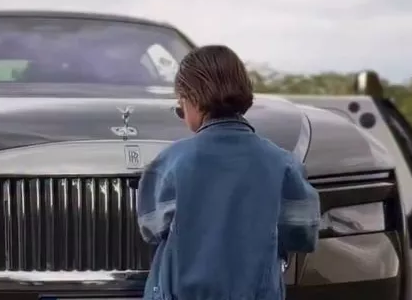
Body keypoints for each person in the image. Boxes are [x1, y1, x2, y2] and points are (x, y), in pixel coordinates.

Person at [136, 45, 320, 300]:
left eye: (181, 107)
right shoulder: (283, 164)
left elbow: (151, 227)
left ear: (192, 99)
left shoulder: (170, 162)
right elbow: (303, 233)